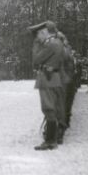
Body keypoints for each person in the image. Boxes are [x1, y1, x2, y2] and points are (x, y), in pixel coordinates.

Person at [28, 21, 64, 150]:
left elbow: (36, 60)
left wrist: (36, 44)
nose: (37, 38)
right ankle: (51, 138)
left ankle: (50, 141)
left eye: (38, 35)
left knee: (48, 109)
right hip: (52, 78)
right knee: (51, 109)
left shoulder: (50, 45)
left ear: (43, 32)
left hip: (47, 79)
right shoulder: (57, 42)